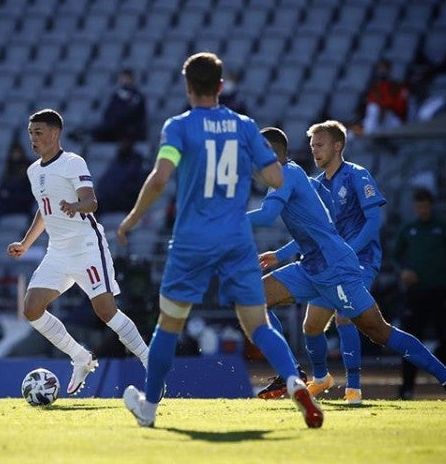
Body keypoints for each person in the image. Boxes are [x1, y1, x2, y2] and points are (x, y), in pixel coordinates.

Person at [117, 52, 324, 429]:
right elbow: (276, 179)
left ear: (187, 86)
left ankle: (149, 407)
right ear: (221, 86)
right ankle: (295, 383)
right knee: (257, 323)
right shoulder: (244, 126)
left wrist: (131, 219)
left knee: (169, 324)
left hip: (192, 240)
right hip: (236, 238)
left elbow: (161, 177)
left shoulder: (178, 126)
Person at [247, 127, 446, 408]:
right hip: (311, 266)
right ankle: (291, 373)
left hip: (336, 268)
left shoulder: (290, 175)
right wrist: (281, 255)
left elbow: (268, 215)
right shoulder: (292, 178)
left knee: (378, 331)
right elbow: (313, 228)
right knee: (255, 298)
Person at [6, 109, 149, 396]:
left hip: (86, 248)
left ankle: (150, 361)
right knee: (31, 308)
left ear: (55, 133)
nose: (33, 138)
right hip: (57, 251)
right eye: (30, 133)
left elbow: (91, 202)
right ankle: (81, 357)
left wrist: (76, 207)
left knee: (106, 311)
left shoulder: (73, 162)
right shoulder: (34, 171)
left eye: (39, 132)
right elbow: (43, 213)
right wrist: (26, 243)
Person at [257, 119, 386, 405]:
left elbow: (374, 221)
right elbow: (313, 234)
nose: (314, 150)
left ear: (337, 146)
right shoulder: (314, 184)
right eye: (312, 145)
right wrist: (280, 254)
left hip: (358, 258)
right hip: (327, 262)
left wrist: (349, 251)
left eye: (319, 144)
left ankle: (354, 387)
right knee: (311, 327)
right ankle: (321, 378)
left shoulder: (357, 175)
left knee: (344, 316)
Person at [393, 187, 446, 400]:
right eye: (419, 206)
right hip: (415, 294)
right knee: (410, 339)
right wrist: (403, 271)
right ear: (415, 207)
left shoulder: (443, 229)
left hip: (441, 293)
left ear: (431, 206)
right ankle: (407, 389)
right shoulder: (409, 229)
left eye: (426, 206)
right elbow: (394, 257)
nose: (423, 210)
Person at [353, 59, 409, 136]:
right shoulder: (375, 87)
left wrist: (384, 106)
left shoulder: (397, 86)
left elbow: (401, 108)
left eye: (384, 69)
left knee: (375, 109)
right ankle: (364, 133)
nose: (382, 71)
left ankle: (368, 133)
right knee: (372, 109)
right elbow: (370, 104)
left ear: (389, 70)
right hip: (376, 120)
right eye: (380, 69)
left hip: (393, 119)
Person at [94, 137, 149, 216]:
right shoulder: (116, 161)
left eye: (126, 142)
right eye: (121, 142)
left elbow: (137, 187)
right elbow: (106, 181)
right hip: (105, 198)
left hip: (121, 201)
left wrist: (120, 193)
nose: (122, 145)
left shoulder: (137, 163)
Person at [91, 69, 147, 142]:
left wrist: (117, 120)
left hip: (129, 128)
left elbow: (132, 113)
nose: (124, 81)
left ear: (132, 79)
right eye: (122, 78)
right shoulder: (117, 95)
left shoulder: (136, 96)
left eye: (126, 78)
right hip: (114, 126)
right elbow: (109, 111)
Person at [0, 142, 35, 225]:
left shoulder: (29, 166)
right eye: (13, 152)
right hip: (11, 199)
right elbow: (3, 186)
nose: (15, 155)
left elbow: (29, 188)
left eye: (17, 152)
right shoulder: (9, 168)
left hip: (23, 199)